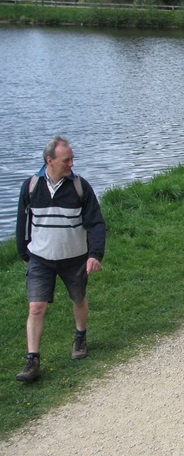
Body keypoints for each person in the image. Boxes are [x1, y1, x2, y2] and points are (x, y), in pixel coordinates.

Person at [15, 137, 106, 383]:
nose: (71, 164)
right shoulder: (31, 186)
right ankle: (32, 359)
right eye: (66, 160)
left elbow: (96, 223)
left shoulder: (80, 187)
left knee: (78, 298)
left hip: (74, 258)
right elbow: (23, 225)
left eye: (71, 159)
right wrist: (25, 254)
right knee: (35, 307)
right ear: (50, 160)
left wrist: (94, 254)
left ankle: (80, 336)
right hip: (40, 259)